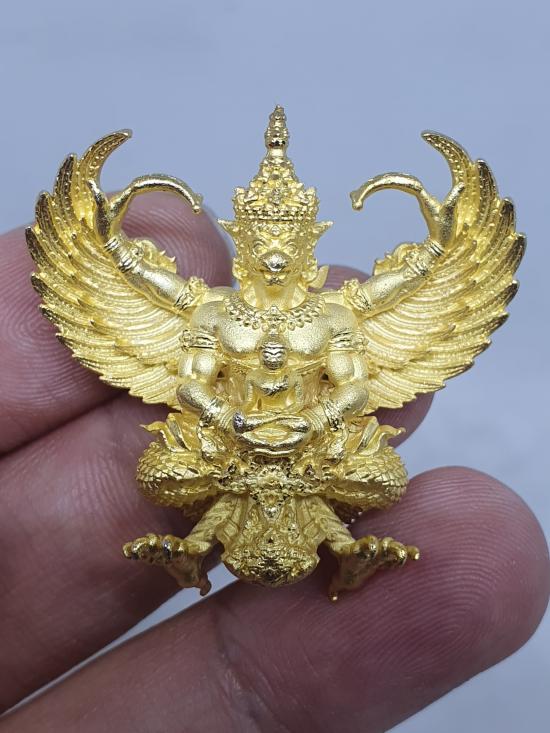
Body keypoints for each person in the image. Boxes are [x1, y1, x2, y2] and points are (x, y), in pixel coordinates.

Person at [0, 190, 548, 732]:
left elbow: (356, 387)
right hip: (228, 442)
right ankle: (232, 547)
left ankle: (305, 549)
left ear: (307, 247)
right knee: (159, 472)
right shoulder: (212, 312)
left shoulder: (335, 315)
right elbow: (187, 382)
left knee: (382, 478)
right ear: (245, 247)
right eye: (263, 242)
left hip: (313, 443)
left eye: (287, 242)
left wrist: (316, 420)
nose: (275, 253)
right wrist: (229, 417)